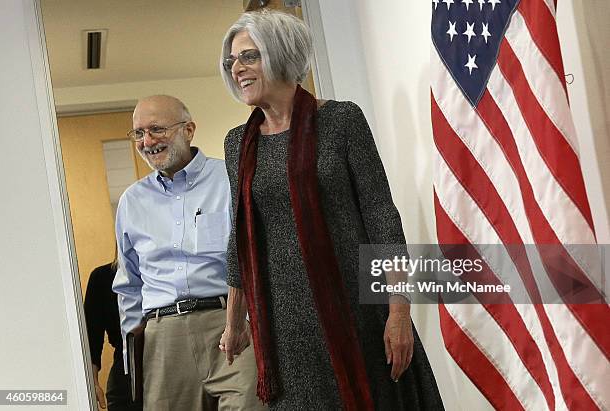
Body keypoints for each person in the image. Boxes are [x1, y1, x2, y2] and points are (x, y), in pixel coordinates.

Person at [218, 10, 444, 410]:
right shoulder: (238, 142)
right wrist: (235, 320)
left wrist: (399, 313)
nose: (238, 69)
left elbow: (380, 216)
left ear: (280, 54)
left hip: (355, 313)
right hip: (285, 331)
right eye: (232, 61)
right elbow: (240, 235)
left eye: (248, 56)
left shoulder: (341, 120)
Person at [112, 95, 265, 411]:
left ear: (189, 129)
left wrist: (248, 320)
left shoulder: (230, 179)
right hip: (164, 337)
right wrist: (134, 355)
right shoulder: (132, 201)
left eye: (156, 129)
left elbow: (259, 258)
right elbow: (129, 285)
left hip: (232, 323)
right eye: (138, 133)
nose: (147, 141)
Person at [84, 255, 141, 411]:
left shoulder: (163, 280)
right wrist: (92, 382)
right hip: (125, 374)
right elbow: (91, 337)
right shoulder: (102, 278)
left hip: (165, 364)